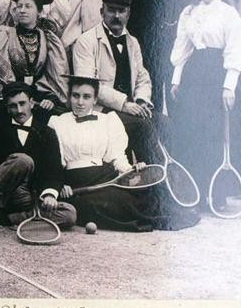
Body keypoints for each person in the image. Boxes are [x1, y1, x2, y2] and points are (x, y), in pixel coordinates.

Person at [49, 75, 199, 231]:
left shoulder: (107, 120)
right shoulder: (57, 122)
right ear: (69, 97)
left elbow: (117, 157)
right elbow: (54, 162)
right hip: (75, 184)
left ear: (95, 100)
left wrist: (130, 170)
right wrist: (60, 185)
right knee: (98, 204)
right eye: (76, 96)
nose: (80, 102)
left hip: (104, 178)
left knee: (133, 199)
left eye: (86, 97)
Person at [170, 0, 241, 208]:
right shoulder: (189, 13)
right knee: (192, 132)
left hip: (218, 77)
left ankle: (219, 195)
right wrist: (176, 80)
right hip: (193, 77)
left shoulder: (228, 14)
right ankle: (196, 192)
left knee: (217, 134)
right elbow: (182, 49)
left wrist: (229, 86)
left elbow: (235, 51)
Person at [72, 0, 161, 165]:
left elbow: (142, 76)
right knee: (141, 126)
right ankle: (153, 179)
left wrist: (142, 101)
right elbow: (88, 85)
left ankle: (159, 173)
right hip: (99, 110)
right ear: (101, 12)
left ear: (128, 14)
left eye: (121, 11)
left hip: (130, 108)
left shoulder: (132, 42)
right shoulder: (86, 41)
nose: (117, 16)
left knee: (164, 122)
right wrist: (124, 104)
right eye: (111, 10)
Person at [0, 82, 76, 229]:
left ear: (32, 103)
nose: (19, 110)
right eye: (13, 105)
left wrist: (50, 194)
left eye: (22, 103)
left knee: (69, 214)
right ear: (7, 108)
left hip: (29, 198)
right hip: (0, 194)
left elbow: (54, 170)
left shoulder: (47, 133)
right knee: (23, 160)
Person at [127, 0, 196, 113]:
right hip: (151, 56)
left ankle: (177, 142)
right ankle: (153, 141)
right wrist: (137, 54)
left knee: (178, 105)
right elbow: (135, 21)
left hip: (179, 56)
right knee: (151, 105)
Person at [0, 0, 69, 119]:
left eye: (28, 6)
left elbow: (56, 75)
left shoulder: (49, 39)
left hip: (39, 97)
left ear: (39, 11)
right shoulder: (4, 37)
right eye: (19, 6)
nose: (22, 10)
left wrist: (49, 98)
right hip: (9, 99)